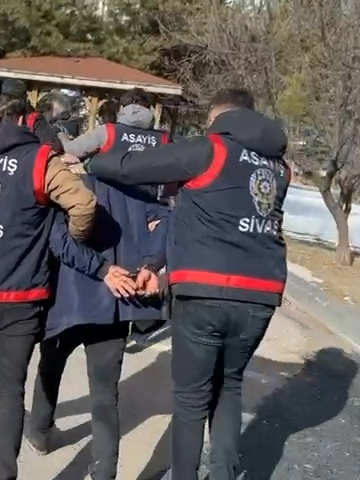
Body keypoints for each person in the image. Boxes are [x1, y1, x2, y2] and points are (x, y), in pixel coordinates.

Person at [83, 88, 291, 480]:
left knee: (191, 398)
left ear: (218, 117)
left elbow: (131, 167)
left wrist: (92, 163)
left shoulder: (210, 149)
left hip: (205, 291)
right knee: (229, 386)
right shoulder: (278, 167)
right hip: (261, 294)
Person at [0, 90, 98, 480]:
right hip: (23, 295)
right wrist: (73, 239)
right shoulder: (40, 160)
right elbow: (84, 204)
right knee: (10, 391)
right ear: (25, 119)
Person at [26, 171, 169, 479]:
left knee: (50, 367)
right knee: (105, 395)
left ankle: (39, 431)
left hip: (68, 299)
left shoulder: (68, 182)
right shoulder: (136, 184)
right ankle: (104, 470)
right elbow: (166, 221)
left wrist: (102, 269)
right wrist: (152, 263)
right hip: (115, 305)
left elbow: (57, 239)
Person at [61, 87, 173, 349]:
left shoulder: (109, 132)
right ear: (150, 109)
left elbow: (71, 151)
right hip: (147, 210)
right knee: (146, 269)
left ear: (122, 108)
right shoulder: (163, 139)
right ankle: (143, 323)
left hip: (107, 206)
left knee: (107, 266)